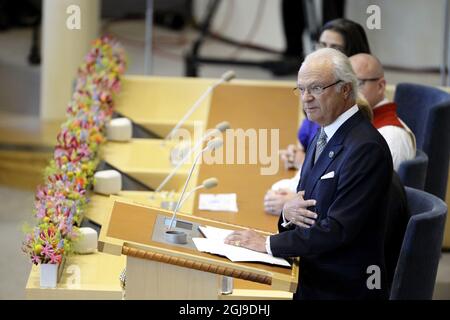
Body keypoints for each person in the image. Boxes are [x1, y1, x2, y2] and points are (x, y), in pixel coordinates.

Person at [225, 48, 393, 300]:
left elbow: (338, 229)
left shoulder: (365, 148)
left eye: (315, 88)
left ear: (345, 89)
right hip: (311, 275)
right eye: (301, 89)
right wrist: (286, 213)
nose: (306, 98)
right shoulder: (324, 132)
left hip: (341, 289)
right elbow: (303, 203)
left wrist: (268, 244)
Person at [265, 18, 372, 215]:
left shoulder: (363, 140)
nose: (307, 97)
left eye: (335, 47)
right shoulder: (323, 120)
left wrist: (270, 243)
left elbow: (337, 222)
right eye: (322, 45)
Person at [349, 53, 416, 171]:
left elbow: (378, 188)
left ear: (380, 86)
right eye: (345, 84)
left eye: (357, 83)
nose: (348, 92)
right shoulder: (358, 121)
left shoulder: (392, 136)